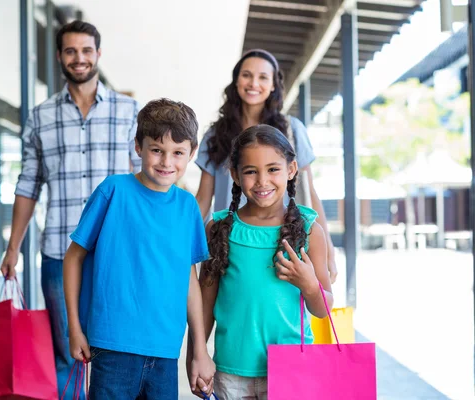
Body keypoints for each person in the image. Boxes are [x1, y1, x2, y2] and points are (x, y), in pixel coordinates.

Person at [0, 20, 140, 399]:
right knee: (67, 351)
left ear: (98, 54)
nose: (79, 59)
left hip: (116, 250)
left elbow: (147, 183)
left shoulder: (129, 112)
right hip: (60, 252)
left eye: (86, 50)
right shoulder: (41, 116)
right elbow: (28, 184)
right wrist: (14, 246)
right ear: (60, 56)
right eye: (70, 51)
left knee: (117, 350)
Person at [63, 99, 216, 399]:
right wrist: (74, 327)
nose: (166, 162)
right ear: (138, 146)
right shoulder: (113, 191)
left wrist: (199, 348)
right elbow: (73, 258)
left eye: (178, 153)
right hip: (112, 346)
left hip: (165, 350)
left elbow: (190, 281)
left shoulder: (187, 208)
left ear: (192, 153)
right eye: (156, 150)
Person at [194, 125, 333, 399]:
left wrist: (309, 285)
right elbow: (205, 303)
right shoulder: (219, 228)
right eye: (250, 171)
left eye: (273, 169)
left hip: (292, 368)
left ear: (291, 169)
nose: (262, 181)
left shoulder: (310, 231)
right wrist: (197, 355)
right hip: (231, 372)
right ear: (235, 174)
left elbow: (324, 309)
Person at [195, 49, 338, 283]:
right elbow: (203, 199)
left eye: (263, 77)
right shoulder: (215, 135)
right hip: (230, 242)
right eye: (247, 75)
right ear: (236, 81)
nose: (254, 83)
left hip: (283, 241)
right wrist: (182, 244)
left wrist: (327, 248)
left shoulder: (292, 130)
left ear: (273, 85)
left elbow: (310, 192)